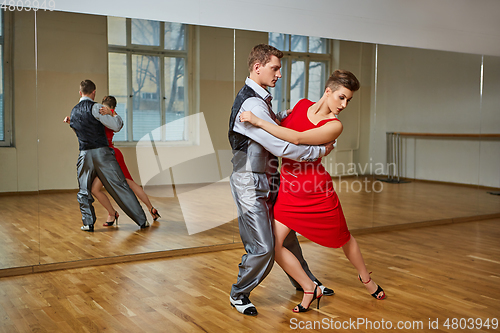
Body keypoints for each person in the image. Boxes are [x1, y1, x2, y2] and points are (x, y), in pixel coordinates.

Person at [240, 70, 386, 313]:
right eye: (341, 97)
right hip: (289, 190)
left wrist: (257, 121)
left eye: (348, 100)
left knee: (343, 237)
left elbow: (296, 139)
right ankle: (309, 287)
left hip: (315, 190)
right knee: (272, 246)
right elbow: (281, 130)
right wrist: (274, 118)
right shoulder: (301, 105)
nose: (344, 104)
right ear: (327, 91)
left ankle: (366, 279)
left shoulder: (334, 126)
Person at [228, 44, 336, 316]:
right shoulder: (251, 103)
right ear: (258, 67)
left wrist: (285, 117)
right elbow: (281, 146)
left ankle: (306, 282)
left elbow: (275, 131)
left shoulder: (261, 102)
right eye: (274, 68)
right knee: (263, 246)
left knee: (287, 238)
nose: (278, 74)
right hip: (249, 180)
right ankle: (239, 293)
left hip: (270, 177)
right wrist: (318, 152)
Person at [68, 80, 149, 231]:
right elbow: (116, 126)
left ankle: (88, 223)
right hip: (102, 153)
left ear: (80, 93)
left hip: (84, 154)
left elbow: (77, 132)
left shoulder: (73, 111)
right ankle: (141, 220)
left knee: (84, 189)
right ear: (94, 92)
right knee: (120, 185)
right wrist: (113, 115)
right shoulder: (97, 107)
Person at [93, 96, 161, 226]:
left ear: (109, 108)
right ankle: (113, 213)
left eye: (104, 108)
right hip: (105, 156)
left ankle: (149, 208)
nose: (102, 111)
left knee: (129, 183)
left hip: (111, 156)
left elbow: (119, 124)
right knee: (95, 189)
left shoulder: (111, 117)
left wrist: (112, 113)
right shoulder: (105, 117)